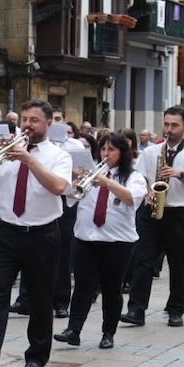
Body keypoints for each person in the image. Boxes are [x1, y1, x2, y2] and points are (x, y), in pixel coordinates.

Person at [0, 100, 73, 367]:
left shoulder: (58, 155)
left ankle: (36, 356)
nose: (27, 124)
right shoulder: (6, 151)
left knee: (40, 299)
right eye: (24, 119)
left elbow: (59, 187)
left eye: (34, 120)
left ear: (48, 124)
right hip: (5, 232)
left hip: (42, 234)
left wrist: (28, 159)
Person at [56, 133, 144, 349]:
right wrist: (77, 180)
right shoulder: (91, 174)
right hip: (86, 238)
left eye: (112, 150)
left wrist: (107, 182)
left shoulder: (133, 176)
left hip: (118, 242)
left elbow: (132, 198)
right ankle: (73, 330)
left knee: (111, 288)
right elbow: (72, 197)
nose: (106, 154)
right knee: (83, 287)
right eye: (104, 149)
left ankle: (108, 333)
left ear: (122, 153)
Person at [123, 107, 184, 329]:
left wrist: (180, 175)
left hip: (180, 213)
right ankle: (136, 309)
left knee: (179, 264)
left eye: (174, 125)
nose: (169, 129)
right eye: (166, 124)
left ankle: (175, 310)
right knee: (143, 261)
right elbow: (140, 177)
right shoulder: (152, 152)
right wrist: (148, 190)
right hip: (151, 211)